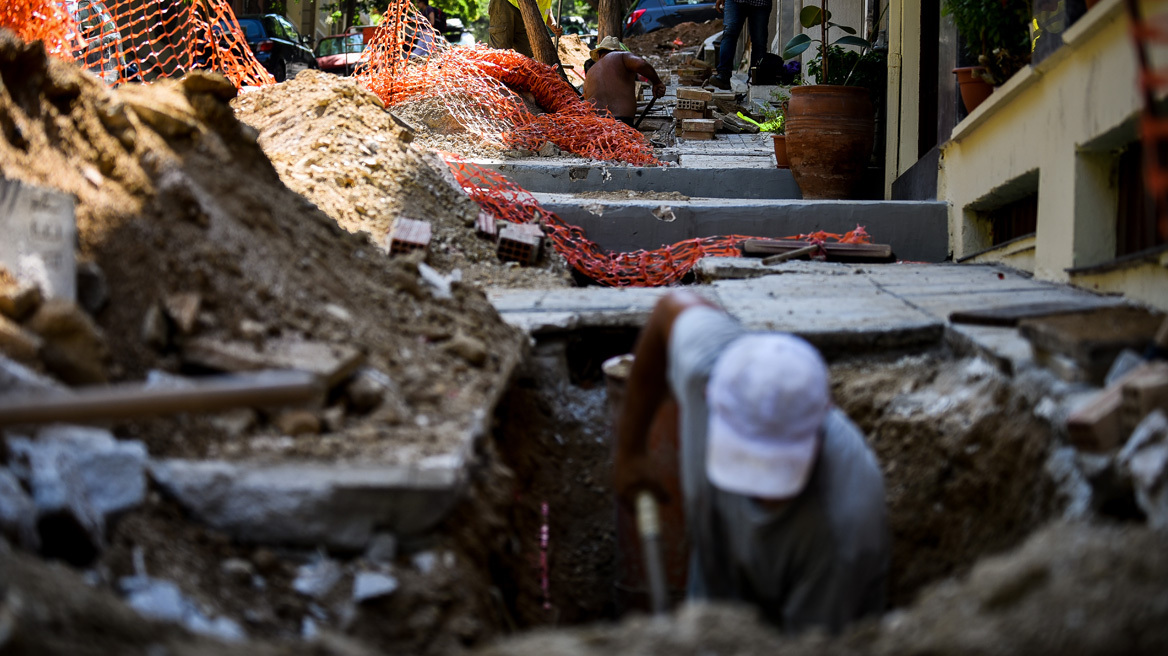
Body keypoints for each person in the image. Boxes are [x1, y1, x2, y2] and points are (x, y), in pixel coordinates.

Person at [614, 291, 890, 634]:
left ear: (821, 422)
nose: (760, 486)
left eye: (779, 465)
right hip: (710, 613)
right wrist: (631, 452)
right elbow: (668, 309)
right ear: (709, 398)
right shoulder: (708, 370)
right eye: (744, 458)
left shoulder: (844, 528)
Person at [581, 36, 666, 128]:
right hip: (620, 124)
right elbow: (640, 63)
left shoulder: (590, 72)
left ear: (598, 55)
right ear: (619, 50)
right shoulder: (620, 56)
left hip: (593, 125)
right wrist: (657, 82)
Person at [711, 0, 773, 90]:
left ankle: (755, 76)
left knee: (759, 40)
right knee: (730, 32)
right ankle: (723, 75)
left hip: (761, 3)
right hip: (735, 1)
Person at [488, 0, 562, 59]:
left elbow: (545, 5)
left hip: (529, 13)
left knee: (527, 60)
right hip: (507, 4)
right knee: (500, 53)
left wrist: (552, 23)